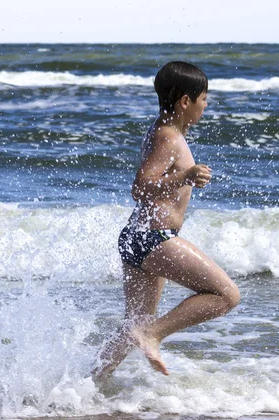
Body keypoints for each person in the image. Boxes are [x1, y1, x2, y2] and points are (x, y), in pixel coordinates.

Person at [91, 61, 240, 379]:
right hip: (151, 237)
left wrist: (182, 177)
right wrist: (184, 175)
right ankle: (154, 336)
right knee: (227, 295)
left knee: (135, 324)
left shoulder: (163, 132)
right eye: (204, 98)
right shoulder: (167, 137)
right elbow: (140, 187)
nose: (206, 105)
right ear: (185, 101)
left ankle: (87, 386)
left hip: (138, 236)